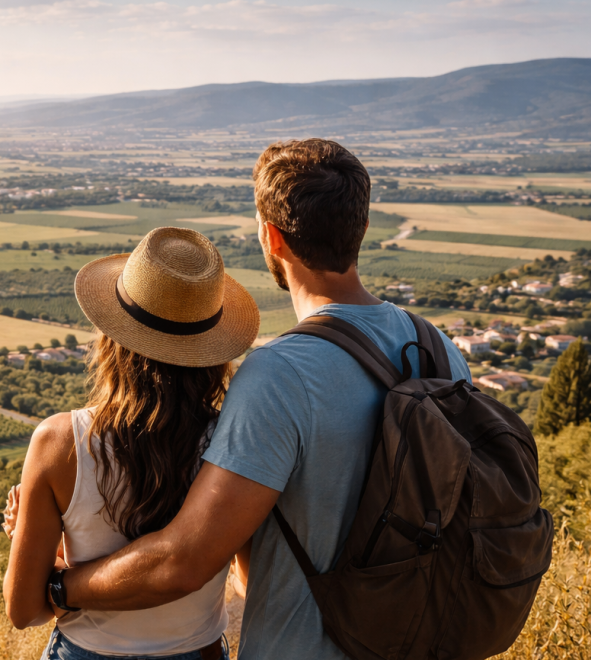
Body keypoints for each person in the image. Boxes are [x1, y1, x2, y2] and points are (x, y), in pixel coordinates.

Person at [51, 139, 474, 659]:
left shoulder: (280, 375)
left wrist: (60, 587)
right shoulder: (438, 350)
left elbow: (183, 562)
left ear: (271, 237)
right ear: (361, 227)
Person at [2, 227, 261, 659]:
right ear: (211, 352)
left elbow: (25, 611)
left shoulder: (58, 443)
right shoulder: (235, 445)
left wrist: (43, 554)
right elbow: (248, 584)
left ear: (111, 337)